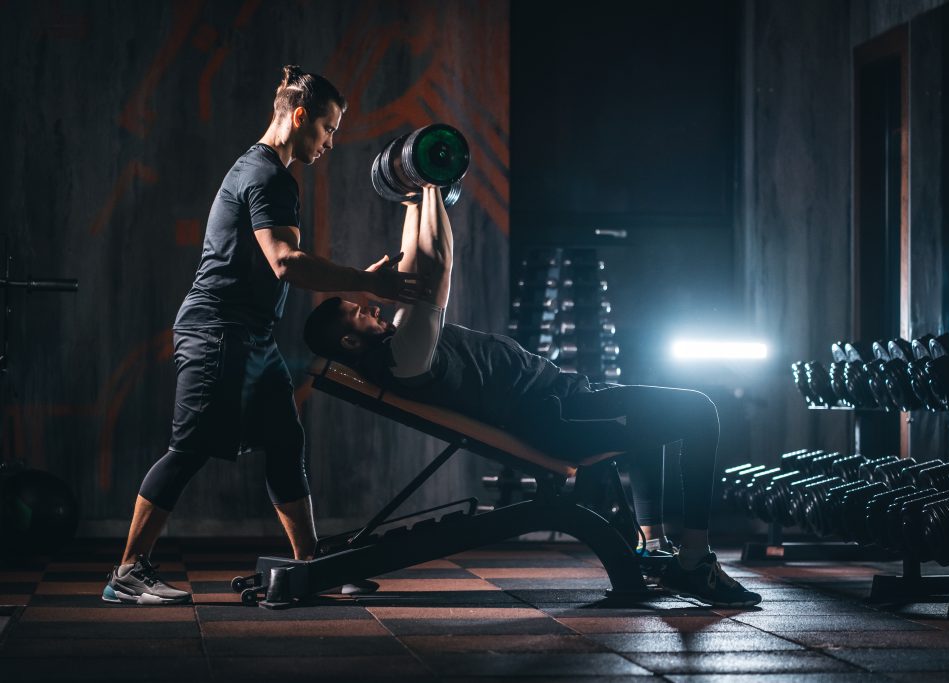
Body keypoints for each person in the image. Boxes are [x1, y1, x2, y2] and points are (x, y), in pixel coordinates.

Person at [303, 186, 761, 608]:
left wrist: (411, 201)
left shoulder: (396, 346)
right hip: (558, 419)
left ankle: (654, 548)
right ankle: (694, 562)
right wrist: (432, 189)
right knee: (700, 412)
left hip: (566, 397)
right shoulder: (404, 356)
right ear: (348, 343)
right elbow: (437, 267)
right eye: (356, 311)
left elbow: (411, 267)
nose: (370, 305)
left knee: (657, 416)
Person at [102, 65, 422, 605]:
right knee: (189, 448)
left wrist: (357, 283)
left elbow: (282, 263)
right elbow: (286, 262)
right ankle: (128, 572)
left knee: (284, 440)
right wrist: (366, 282)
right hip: (217, 331)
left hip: (250, 336)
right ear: (300, 117)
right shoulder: (269, 176)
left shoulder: (262, 171)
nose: (330, 141)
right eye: (328, 127)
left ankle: (310, 564)